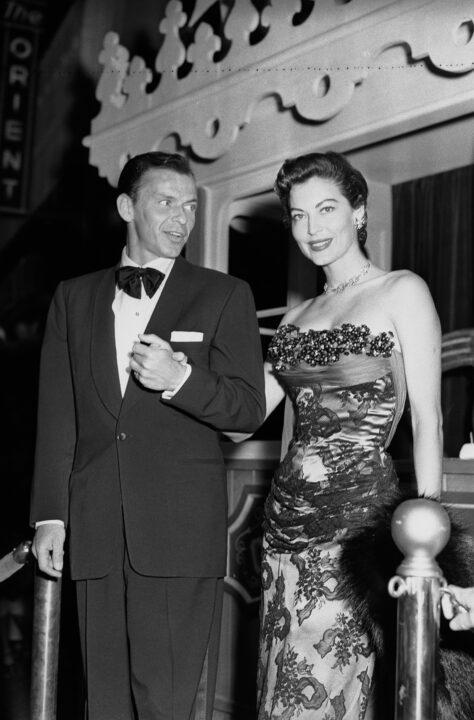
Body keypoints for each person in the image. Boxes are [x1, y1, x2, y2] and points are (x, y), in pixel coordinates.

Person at [30, 151, 265, 720]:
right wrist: (50, 516)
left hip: (178, 536)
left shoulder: (224, 294)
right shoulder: (74, 296)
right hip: (96, 533)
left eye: (190, 206)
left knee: (164, 705)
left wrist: (181, 380)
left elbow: (247, 411)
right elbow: (59, 416)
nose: (182, 218)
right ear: (126, 206)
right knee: (102, 704)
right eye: (166, 202)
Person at [256, 151, 442, 719]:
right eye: (297, 215)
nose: (311, 229)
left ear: (358, 211)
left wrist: (424, 544)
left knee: (333, 689)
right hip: (281, 529)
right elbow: (243, 415)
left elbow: (428, 419)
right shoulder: (293, 319)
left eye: (326, 209)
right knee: (278, 686)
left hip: (354, 528)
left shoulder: (401, 290)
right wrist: (180, 380)